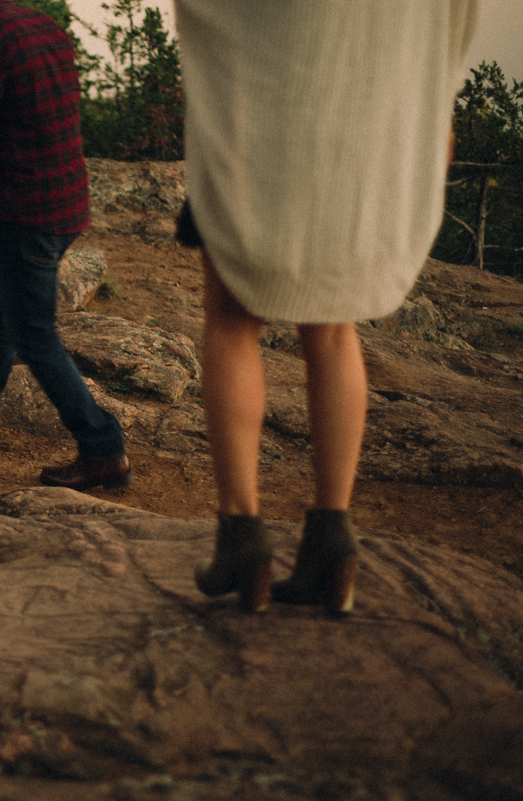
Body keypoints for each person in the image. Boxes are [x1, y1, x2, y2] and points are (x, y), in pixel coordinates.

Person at [174, 1, 479, 614]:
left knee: (233, 321)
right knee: (335, 330)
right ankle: (331, 537)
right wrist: (434, 106)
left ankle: (243, 536)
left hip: (266, 114)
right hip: (367, 125)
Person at [0, 0, 132, 492]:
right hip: (66, 200)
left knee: (35, 333)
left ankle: (102, 448)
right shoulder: (42, 23)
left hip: (29, 210)